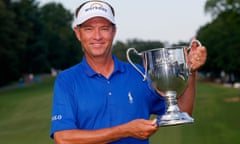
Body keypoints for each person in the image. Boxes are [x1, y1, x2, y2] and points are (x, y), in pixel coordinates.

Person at [50, 0, 207, 144]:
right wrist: (124, 130)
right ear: (78, 33)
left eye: (104, 28)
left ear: (114, 31)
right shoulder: (67, 80)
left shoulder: (139, 74)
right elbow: (63, 139)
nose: (97, 36)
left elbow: (183, 111)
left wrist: (190, 71)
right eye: (89, 29)